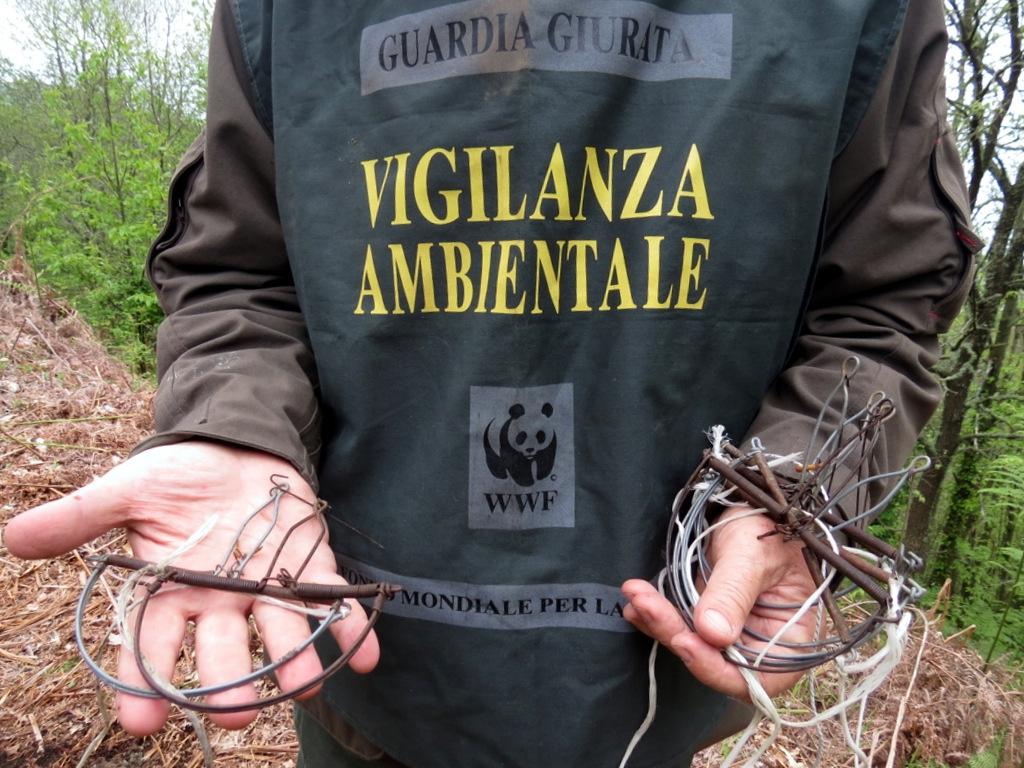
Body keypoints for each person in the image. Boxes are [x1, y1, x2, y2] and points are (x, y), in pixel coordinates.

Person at [4, 0, 977, 765]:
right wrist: (233, 428)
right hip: (362, 655)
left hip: (650, 683)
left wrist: (791, 486)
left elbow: (884, 297)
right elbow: (239, 268)